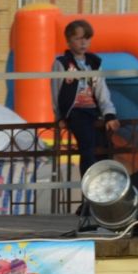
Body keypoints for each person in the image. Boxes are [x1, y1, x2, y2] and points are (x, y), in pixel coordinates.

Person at [53, 19, 121, 180]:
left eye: (87, 38)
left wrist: (109, 114)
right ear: (69, 41)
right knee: (88, 145)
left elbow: (101, 90)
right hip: (75, 112)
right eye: (78, 38)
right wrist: (59, 117)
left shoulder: (94, 63)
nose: (83, 42)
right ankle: (90, 184)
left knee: (105, 147)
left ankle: (106, 181)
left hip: (93, 111)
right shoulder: (62, 63)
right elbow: (55, 91)